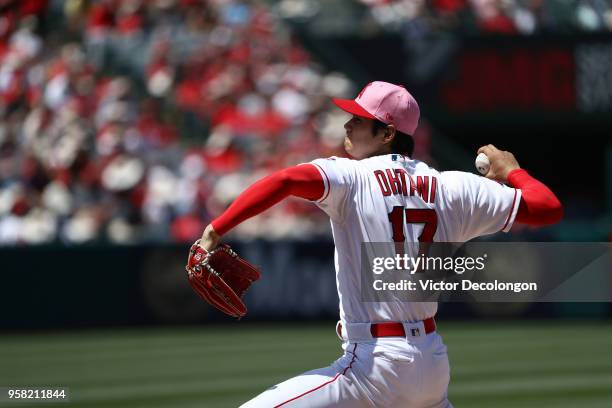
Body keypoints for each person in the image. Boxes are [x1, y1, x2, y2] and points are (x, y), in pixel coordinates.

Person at [197, 81, 563, 407]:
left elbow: (286, 179)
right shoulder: (454, 187)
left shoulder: (350, 176)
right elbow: (547, 208)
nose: (347, 125)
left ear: (387, 133)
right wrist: (513, 169)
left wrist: (215, 228)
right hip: (431, 361)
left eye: (358, 119)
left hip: (374, 363)